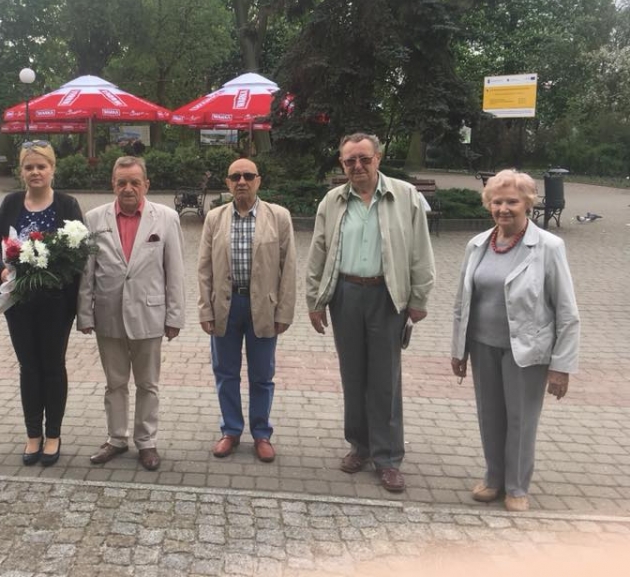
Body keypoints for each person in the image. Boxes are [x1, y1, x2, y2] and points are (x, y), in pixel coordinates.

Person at [305, 132, 435, 492]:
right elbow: (318, 251)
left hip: (387, 295)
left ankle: (388, 457)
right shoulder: (332, 201)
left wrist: (419, 298)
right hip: (345, 294)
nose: (358, 166)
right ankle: (359, 446)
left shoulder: (405, 196)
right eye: (350, 161)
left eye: (364, 158)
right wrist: (315, 300)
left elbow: (421, 251)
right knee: (353, 376)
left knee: (384, 379)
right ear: (342, 164)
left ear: (378, 158)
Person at [451, 169, 580, 512]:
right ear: (488, 204)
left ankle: (517, 486)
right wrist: (458, 350)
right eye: (497, 202)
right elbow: (463, 302)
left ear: (527, 204)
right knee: (490, 415)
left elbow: (567, 311)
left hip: (527, 350)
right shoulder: (477, 245)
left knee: (521, 419)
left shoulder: (548, 247)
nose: (503, 208)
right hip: (482, 345)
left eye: (512, 202)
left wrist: (561, 367)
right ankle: (493, 478)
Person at [77, 156, 185, 471]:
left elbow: (175, 271)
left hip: (150, 314)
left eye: (135, 182)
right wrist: (84, 313)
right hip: (108, 314)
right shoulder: (94, 219)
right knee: (115, 383)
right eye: (122, 182)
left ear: (146, 185)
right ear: (113, 184)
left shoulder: (166, 218)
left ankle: (147, 442)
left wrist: (174, 316)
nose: (128, 188)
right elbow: (87, 271)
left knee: (148, 384)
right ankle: (116, 438)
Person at [0, 140, 84, 467]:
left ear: (52, 169)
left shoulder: (67, 205)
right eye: (29, 167)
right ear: (22, 171)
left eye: (41, 166)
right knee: (28, 366)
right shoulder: (11, 202)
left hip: (56, 303)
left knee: (53, 365)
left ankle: (53, 434)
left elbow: (80, 251)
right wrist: (3, 270)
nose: (35, 172)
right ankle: (33, 434)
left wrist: (56, 271)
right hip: (18, 301)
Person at [198, 159, 296, 463]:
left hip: (263, 306)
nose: (242, 181)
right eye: (235, 176)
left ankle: (261, 434)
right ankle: (231, 430)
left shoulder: (279, 217)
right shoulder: (214, 218)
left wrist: (284, 312)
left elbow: (289, 267)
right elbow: (203, 268)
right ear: (228, 183)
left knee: (262, 374)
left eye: (248, 176)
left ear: (258, 180)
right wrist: (205, 309)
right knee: (225, 372)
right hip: (226, 305)